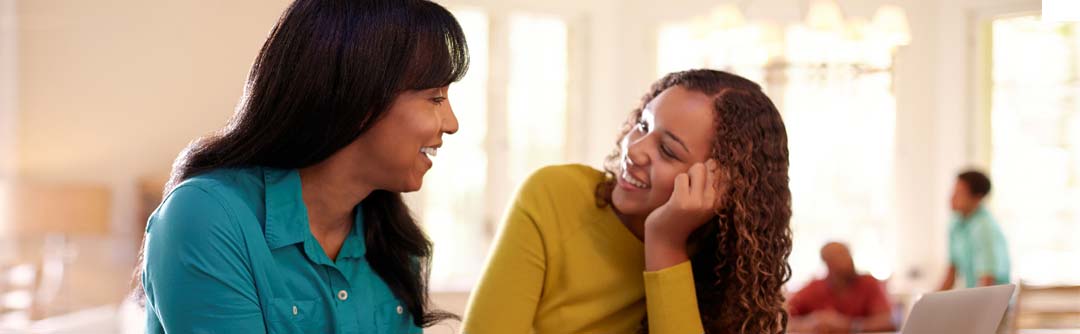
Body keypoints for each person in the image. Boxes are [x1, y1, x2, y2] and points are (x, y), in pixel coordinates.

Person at [134, 0, 469, 332]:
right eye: (435, 98)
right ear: (360, 97)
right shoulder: (206, 217)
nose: (451, 123)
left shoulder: (393, 243)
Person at [463, 69, 793, 333]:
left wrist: (665, 243)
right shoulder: (554, 195)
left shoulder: (723, 269)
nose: (634, 150)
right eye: (643, 125)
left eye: (667, 151)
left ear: (719, 187)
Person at [787, 242, 895, 333]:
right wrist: (811, 323)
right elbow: (784, 317)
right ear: (827, 263)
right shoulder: (814, 288)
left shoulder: (868, 283)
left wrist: (848, 325)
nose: (847, 260)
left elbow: (889, 322)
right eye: (838, 256)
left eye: (847, 254)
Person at [939, 170, 1011, 290]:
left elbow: (987, 281)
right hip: (975, 295)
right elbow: (951, 273)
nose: (952, 197)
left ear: (977, 198)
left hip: (994, 302)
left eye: (959, 192)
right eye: (953, 191)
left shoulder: (984, 227)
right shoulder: (956, 223)